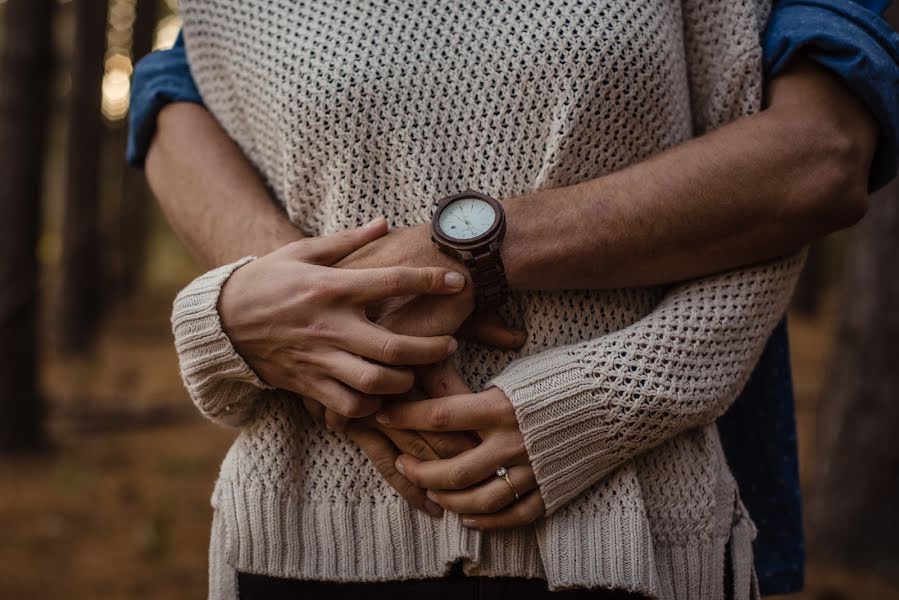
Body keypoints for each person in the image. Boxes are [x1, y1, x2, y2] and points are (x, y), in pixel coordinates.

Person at [131, 1, 898, 599]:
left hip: (627, 519)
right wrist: (264, 314)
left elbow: (801, 166)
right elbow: (168, 92)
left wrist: (613, 393)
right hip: (304, 527)